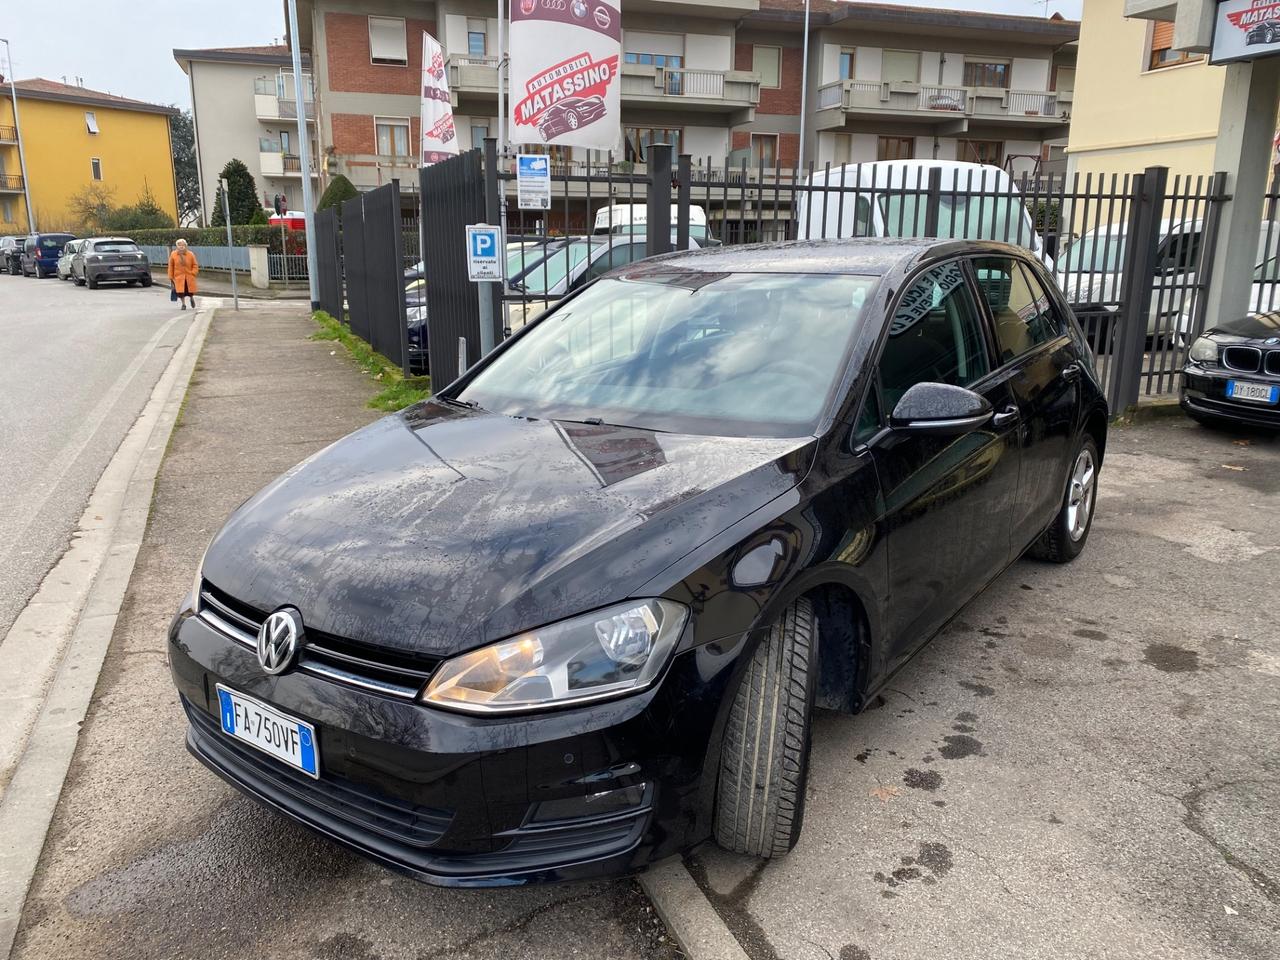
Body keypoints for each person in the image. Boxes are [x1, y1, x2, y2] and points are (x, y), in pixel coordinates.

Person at [168, 239, 199, 310]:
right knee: (180, 292)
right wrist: (171, 276)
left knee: (190, 291)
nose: (181, 247)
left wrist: (193, 273)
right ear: (177, 246)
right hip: (178, 277)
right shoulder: (173, 254)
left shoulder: (190, 254)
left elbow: (195, 265)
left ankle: (191, 298)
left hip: (189, 276)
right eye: (179, 245)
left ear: (186, 246)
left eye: (183, 245)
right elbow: (171, 266)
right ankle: (183, 304)